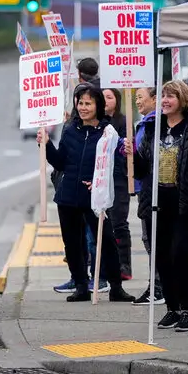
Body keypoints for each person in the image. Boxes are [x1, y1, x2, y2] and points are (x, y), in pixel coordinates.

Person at [132, 80, 188, 333]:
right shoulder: (153, 129)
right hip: (157, 203)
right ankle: (171, 308)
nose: (165, 100)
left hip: (185, 203)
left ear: (182, 99)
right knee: (161, 258)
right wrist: (130, 154)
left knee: (182, 255)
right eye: (163, 96)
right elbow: (142, 169)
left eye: (170, 96)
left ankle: (187, 310)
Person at [39, 83, 135, 303]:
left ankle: (116, 287)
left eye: (88, 103)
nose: (83, 107)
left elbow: (115, 162)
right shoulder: (70, 129)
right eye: (80, 103)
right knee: (72, 244)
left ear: (97, 105)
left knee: (107, 240)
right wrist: (46, 146)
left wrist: (102, 180)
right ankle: (81, 285)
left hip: (95, 197)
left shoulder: (107, 131)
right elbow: (60, 162)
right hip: (68, 196)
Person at [131, 87, 164, 305]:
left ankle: (159, 288)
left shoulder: (156, 124)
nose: (137, 102)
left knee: (154, 239)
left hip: (155, 188)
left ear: (155, 99)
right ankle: (157, 285)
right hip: (144, 187)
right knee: (148, 238)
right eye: (135, 98)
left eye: (140, 97)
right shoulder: (143, 124)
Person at [103, 88, 133, 280]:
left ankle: (125, 266)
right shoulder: (97, 122)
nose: (105, 100)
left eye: (109, 97)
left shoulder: (124, 122)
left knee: (119, 222)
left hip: (119, 178)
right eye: (103, 97)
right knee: (103, 224)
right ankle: (106, 267)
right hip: (101, 179)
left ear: (117, 99)